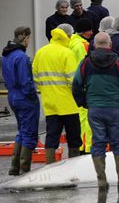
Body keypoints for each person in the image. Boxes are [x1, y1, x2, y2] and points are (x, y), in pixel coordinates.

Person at [72, 32, 119, 190]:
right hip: (117, 109)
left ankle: (101, 181)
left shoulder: (85, 63)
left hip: (95, 110)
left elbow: (76, 86)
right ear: (110, 45)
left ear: (94, 45)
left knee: (98, 144)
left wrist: (85, 103)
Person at [32, 27, 82, 163]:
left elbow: (35, 77)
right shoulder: (67, 53)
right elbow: (73, 80)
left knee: (51, 137)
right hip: (69, 104)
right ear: (67, 36)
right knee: (74, 139)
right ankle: (73, 165)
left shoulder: (41, 52)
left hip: (49, 103)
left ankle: (50, 165)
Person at [2, 26, 39, 175]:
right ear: (25, 38)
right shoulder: (22, 57)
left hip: (12, 96)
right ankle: (25, 170)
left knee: (22, 131)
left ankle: (14, 167)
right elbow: (26, 82)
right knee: (29, 133)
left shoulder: (6, 55)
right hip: (25, 99)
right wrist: (32, 95)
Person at [68, 18, 93, 154]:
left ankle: (80, 145)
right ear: (85, 31)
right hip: (83, 86)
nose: (92, 32)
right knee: (86, 119)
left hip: (72, 86)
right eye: (90, 30)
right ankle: (86, 147)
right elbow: (86, 66)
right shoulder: (83, 45)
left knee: (78, 117)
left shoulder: (70, 42)